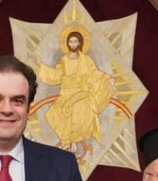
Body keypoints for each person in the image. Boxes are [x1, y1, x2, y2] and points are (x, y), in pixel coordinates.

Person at [35, 29, 113, 158]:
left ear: (80, 43)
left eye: (75, 41)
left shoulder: (86, 59)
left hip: (81, 94)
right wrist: (41, 65)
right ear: (67, 43)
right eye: (70, 41)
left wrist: (106, 77)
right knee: (51, 114)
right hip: (65, 93)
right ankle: (68, 141)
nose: (72, 44)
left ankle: (71, 142)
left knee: (76, 111)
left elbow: (94, 73)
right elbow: (57, 75)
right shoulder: (64, 60)